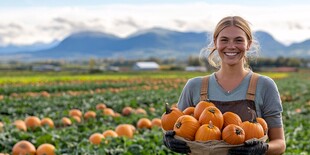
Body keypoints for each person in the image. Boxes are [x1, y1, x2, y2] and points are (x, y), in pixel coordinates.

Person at [163, 16, 286, 155]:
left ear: (248, 44)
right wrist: (168, 139)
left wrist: (263, 149)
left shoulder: (264, 85)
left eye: (239, 40)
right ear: (216, 43)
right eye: (224, 40)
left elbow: (280, 144)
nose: (231, 46)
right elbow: (176, 128)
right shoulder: (194, 86)